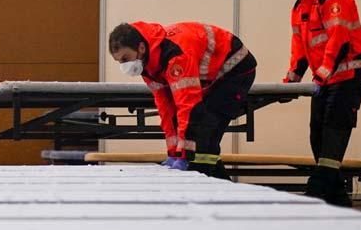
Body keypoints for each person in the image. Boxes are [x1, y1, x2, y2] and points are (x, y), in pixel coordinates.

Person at [108, 21, 257, 179]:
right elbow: (167, 109)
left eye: (125, 59)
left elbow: (188, 105)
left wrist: (184, 155)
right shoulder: (149, 65)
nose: (125, 66)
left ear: (141, 48)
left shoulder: (174, 54)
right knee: (203, 140)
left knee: (204, 131)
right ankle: (216, 185)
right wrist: (173, 153)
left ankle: (206, 184)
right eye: (120, 62)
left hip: (236, 69)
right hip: (216, 77)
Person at [285, 0, 361, 207]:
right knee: (317, 136)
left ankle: (316, 192)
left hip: (348, 77)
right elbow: (299, 45)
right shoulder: (301, 5)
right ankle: (338, 201)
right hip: (325, 79)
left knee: (333, 134)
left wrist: (322, 73)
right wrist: (292, 78)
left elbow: (339, 38)